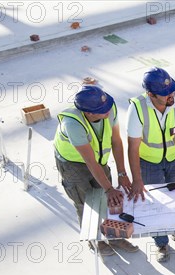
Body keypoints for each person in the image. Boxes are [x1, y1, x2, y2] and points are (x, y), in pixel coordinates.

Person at [126, 67, 175, 262]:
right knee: (156, 203)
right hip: (148, 162)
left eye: (171, 89)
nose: (170, 95)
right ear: (150, 94)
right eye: (164, 93)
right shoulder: (137, 108)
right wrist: (137, 179)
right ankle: (161, 243)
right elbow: (132, 147)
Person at [54, 85, 139, 256]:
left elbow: (116, 141)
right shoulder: (72, 124)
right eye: (102, 110)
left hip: (98, 159)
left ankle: (114, 236)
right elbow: (89, 161)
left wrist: (122, 173)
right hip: (73, 165)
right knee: (85, 204)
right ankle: (96, 241)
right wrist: (109, 188)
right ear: (89, 113)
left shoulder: (109, 107)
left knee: (107, 201)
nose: (108, 110)